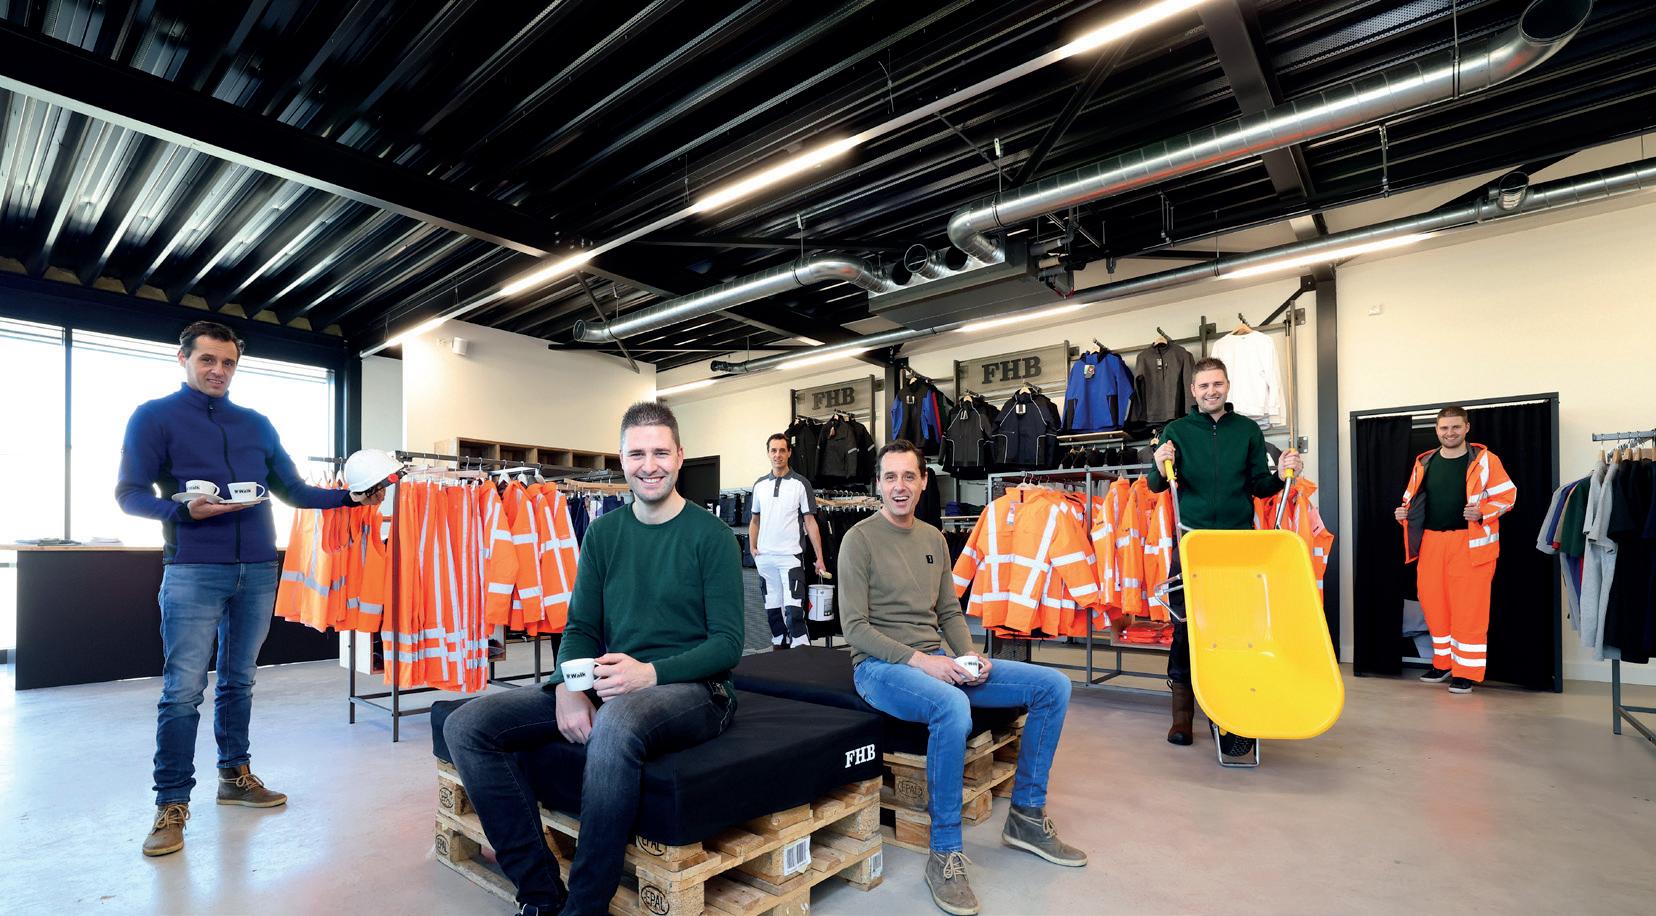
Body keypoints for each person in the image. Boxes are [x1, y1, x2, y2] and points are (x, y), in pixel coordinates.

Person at [443, 401, 743, 916]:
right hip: (614, 679)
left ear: (680, 456)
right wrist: (566, 685)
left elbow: (727, 645)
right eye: (637, 454)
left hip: (699, 689)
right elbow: (581, 626)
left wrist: (649, 674)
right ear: (622, 460)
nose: (649, 465)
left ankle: (584, 909)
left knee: (617, 722)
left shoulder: (711, 536)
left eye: (660, 452)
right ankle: (540, 895)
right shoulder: (604, 534)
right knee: (467, 725)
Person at [116, 320, 382, 857]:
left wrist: (351, 499)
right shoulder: (153, 416)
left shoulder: (256, 423)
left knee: (240, 681)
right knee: (183, 690)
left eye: (228, 363)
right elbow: (129, 494)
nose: (218, 371)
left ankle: (234, 776)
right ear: (184, 359)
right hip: (192, 567)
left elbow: (294, 490)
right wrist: (181, 511)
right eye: (207, 360)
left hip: (259, 569)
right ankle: (171, 803)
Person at [840, 439, 1086, 916]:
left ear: (923, 482)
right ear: (878, 485)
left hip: (934, 657)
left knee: (1053, 686)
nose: (899, 486)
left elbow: (950, 612)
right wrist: (922, 661)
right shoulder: (858, 540)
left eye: (908, 476)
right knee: (951, 706)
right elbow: (855, 628)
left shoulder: (934, 538)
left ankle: (1026, 816)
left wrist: (970, 656)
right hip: (879, 668)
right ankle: (945, 853)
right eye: (890, 477)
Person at [1146, 357, 1302, 747]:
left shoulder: (1246, 430)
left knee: (1236, 629)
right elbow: (1156, 485)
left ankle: (1229, 712)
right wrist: (1159, 463)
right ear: (1193, 391)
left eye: (1217, 384)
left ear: (1227, 386)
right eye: (1203, 386)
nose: (1211, 391)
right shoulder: (1177, 431)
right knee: (1186, 628)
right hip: (1192, 543)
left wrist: (1284, 473)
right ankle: (1182, 717)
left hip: (1237, 545)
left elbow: (1260, 486)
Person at [1395, 406, 1515, 694]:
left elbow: (1508, 496)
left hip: (1470, 544)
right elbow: (1412, 500)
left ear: (1467, 428)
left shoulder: (1486, 460)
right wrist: (1403, 514)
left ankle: (1466, 672)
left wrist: (1483, 512)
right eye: (1444, 428)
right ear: (1437, 430)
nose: (1450, 433)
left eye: (1456, 427)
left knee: (1469, 609)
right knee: (1433, 605)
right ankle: (1443, 663)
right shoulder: (1425, 462)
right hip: (1431, 543)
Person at [749, 433, 829, 648]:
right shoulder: (759, 485)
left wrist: (820, 558)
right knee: (772, 610)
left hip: (790, 557)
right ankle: (779, 649)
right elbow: (755, 520)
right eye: (773, 450)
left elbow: (810, 522)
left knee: (794, 610)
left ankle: (801, 652)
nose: (778, 455)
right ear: (768, 453)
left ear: (789, 452)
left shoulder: (801, 484)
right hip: (765, 558)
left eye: (782, 450)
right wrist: (752, 547)